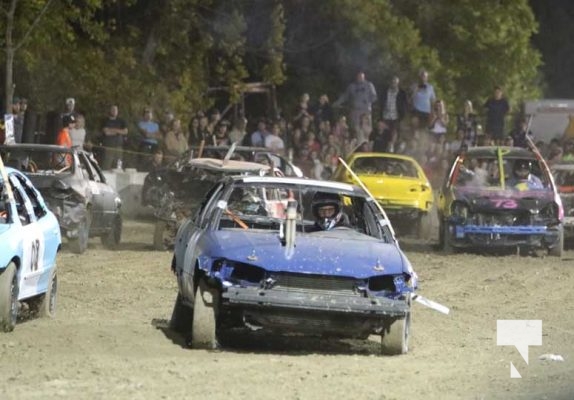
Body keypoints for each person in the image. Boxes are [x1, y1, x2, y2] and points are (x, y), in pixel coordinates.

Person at [333, 70, 377, 134]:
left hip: (366, 111)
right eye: (359, 77)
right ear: (356, 77)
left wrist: (368, 101)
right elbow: (345, 96)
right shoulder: (352, 86)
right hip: (355, 112)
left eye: (361, 77)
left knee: (367, 130)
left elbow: (374, 96)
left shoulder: (369, 85)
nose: (360, 78)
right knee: (355, 129)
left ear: (364, 77)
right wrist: (337, 103)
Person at [101, 104, 128, 170]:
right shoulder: (105, 120)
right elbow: (106, 132)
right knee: (106, 165)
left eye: (115, 109)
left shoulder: (121, 121)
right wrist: (118, 131)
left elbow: (125, 131)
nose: (114, 111)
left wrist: (113, 130)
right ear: (110, 110)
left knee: (118, 165)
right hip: (108, 146)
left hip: (118, 147)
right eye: (112, 109)